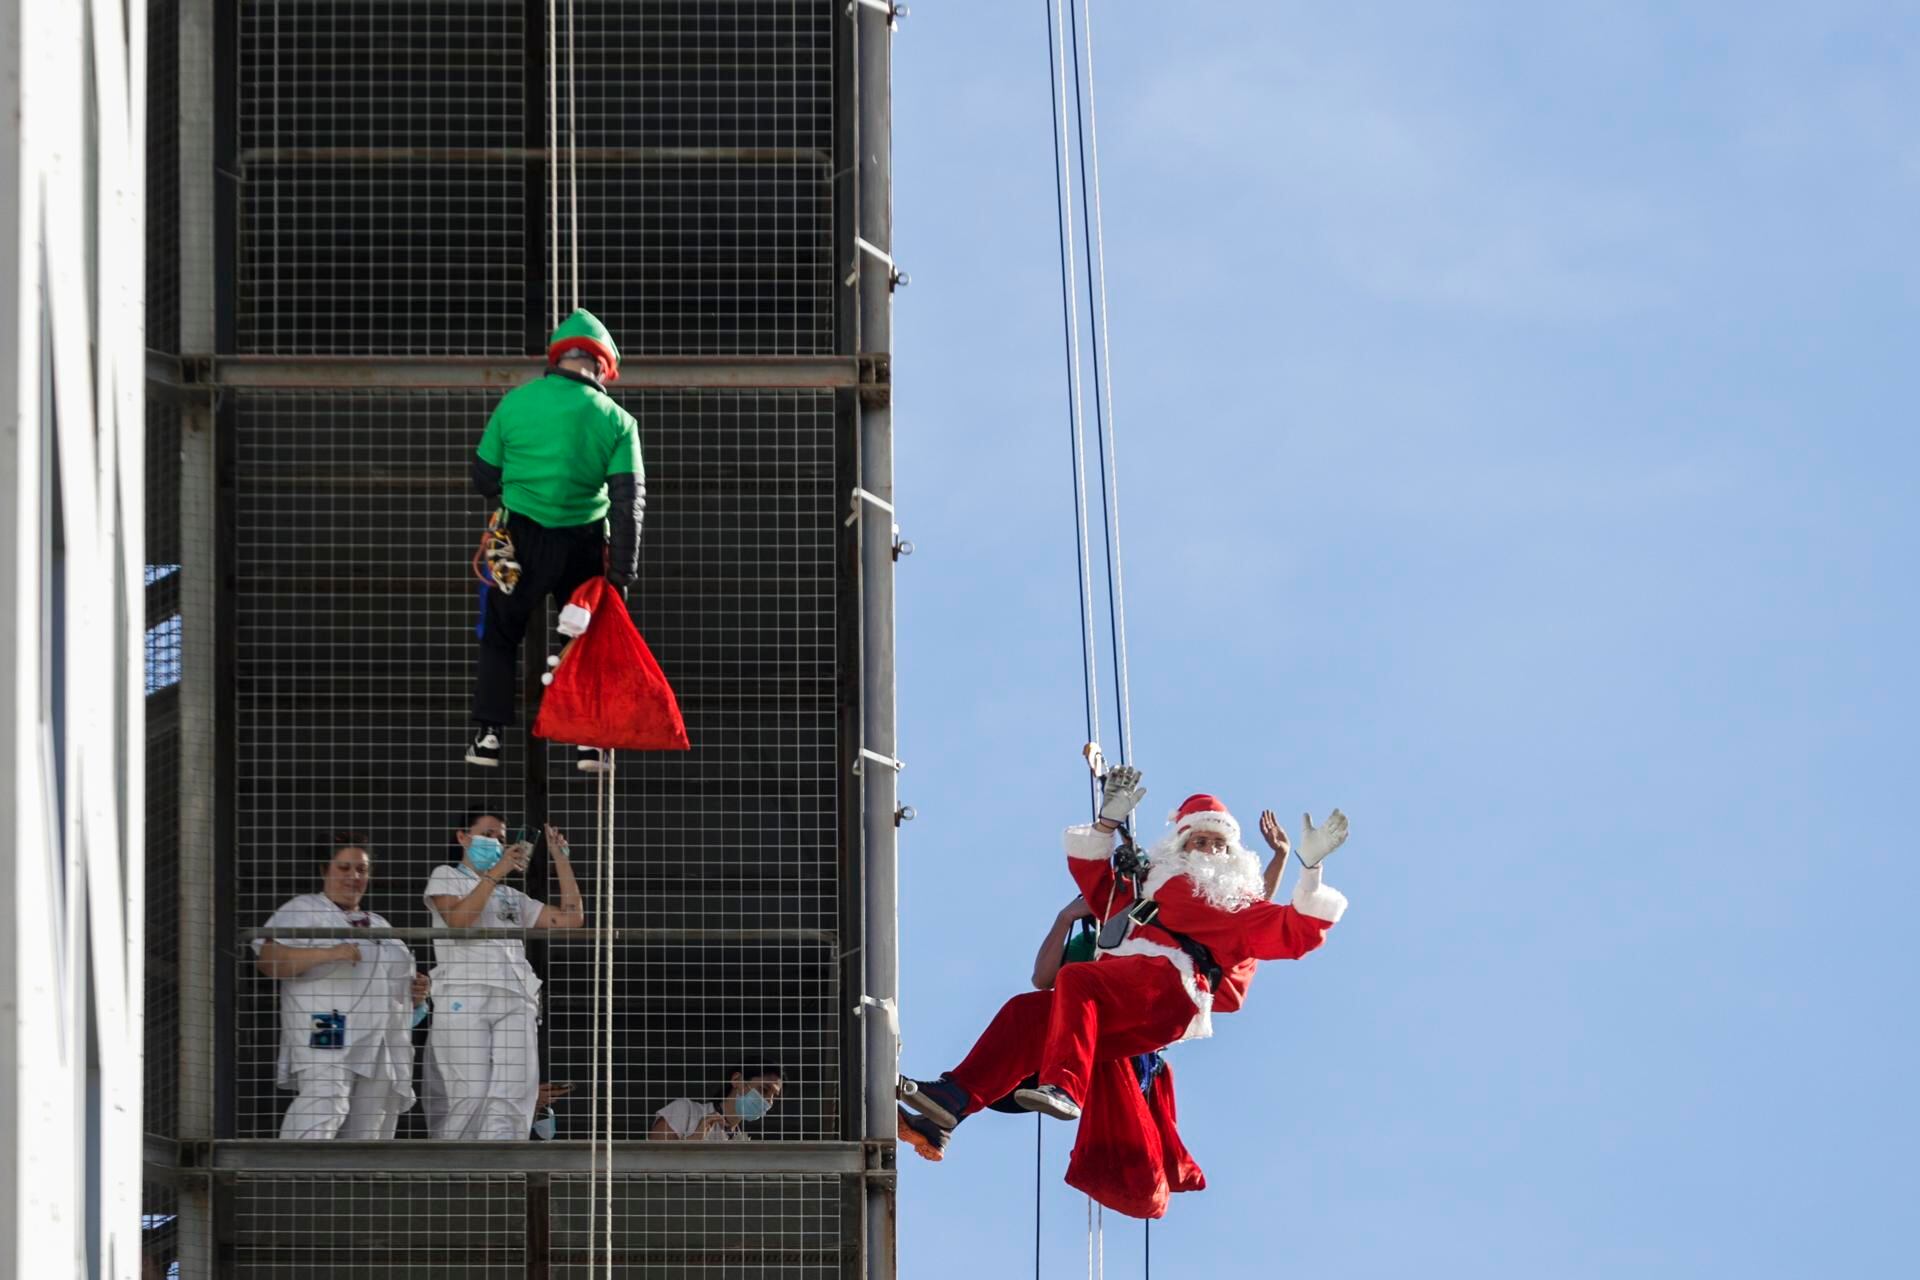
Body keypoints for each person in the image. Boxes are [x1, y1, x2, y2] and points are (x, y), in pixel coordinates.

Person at [897, 767, 1350, 1166]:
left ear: (1232, 855)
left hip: (1171, 990)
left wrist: (1309, 870)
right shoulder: (1148, 889)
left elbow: (1291, 930)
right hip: (1132, 999)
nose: (1209, 849)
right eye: (1199, 839)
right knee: (1028, 1012)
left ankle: (1066, 1088)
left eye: (1217, 842)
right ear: (1181, 845)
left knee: (1079, 981)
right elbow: (1097, 887)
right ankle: (950, 1106)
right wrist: (1106, 823)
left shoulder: (1233, 904)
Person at [467, 307, 646, 771]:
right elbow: (629, 505)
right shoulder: (618, 420)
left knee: (500, 634)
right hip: (584, 544)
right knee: (588, 639)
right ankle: (589, 742)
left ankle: (487, 736)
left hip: (520, 537)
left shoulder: (515, 402)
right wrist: (620, 573)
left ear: (557, 358)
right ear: (604, 367)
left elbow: (484, 477)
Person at [422, 812, 585, 1140]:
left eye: (501, 837)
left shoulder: (510, 897)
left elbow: (570, 918)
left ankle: (503, 1169)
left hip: (515, 995)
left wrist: (560, 859)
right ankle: (454, 1171)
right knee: (470, 1091)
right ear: (462, 838)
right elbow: (458, 920)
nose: (496, 842)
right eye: (487, 834)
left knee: (515, 1089)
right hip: (464, 994)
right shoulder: (446, 876)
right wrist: (497, 872)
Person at [253, 839, 427, 1139]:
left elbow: (395, 983)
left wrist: (418, 991)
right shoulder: (304, 909)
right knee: (325, 1103)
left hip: (381, 1044)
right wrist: (329, 953)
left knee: (370, 1131)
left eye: (362, 869)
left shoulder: (381, 925)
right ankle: (288, 1179)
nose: (354, 876)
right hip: (328, 1025)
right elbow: (269, 961)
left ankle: (353, 1185)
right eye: (344, 867)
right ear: (325, 870)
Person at [649, 1067, 786, 1141]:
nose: (769, 1101)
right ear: (737, 1080)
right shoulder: (684, 1110)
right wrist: (692, 1142)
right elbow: (651, 1163)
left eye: (774, 1097)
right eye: (764, 1089)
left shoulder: (741, 1142)